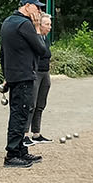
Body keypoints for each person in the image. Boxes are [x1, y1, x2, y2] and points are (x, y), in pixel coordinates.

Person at [0, 0, 49, 167]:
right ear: (27, 6)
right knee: (20, 114)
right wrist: (36, 26)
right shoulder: (25, 24)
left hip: (14, 74)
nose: (40, 11)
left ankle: (21, 150)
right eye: (37, 7)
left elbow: (3, 51)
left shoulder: (8, 21)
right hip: (23, 75)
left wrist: (5, 74)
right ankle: (12, 154)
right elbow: (41, 49)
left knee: (19, 112)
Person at [28, 13, 53, 144]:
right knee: (31, 104)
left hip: (45, 72)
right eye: (47, 24)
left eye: (50, 24)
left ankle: (36, 133)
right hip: (35, 73)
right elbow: (39, 51)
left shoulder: (45, 38)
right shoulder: (35, 37)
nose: (50, 27)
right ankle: (25, 134)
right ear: (39, 25)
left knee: (41, 104)